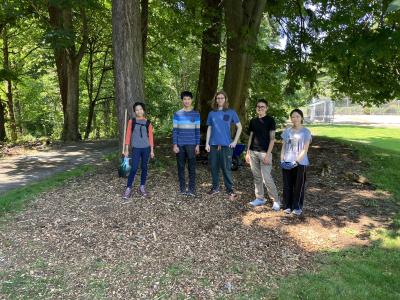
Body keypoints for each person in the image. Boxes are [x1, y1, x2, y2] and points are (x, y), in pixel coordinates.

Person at [205, 90, 242, 200]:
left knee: (226, 168)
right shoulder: (212, 113)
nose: (220, 100)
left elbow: (239, 127)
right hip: (213, 145)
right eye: (218, 98)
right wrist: (207, 143)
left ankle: (230, 190)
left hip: (226, 145)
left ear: (225, 99)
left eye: (222, 98)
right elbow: (209, 128)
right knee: (214, 167)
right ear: (215, 100)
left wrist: (235, 141)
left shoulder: (231, 112)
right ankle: (215, 187)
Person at [245, 99, 281, 210]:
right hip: (253, 152)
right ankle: (260, 198)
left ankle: (276, 200)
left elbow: (272, 139)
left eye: (262, 106)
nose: (260, 108)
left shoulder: (270, 120)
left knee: (267, 178)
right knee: (257, 177)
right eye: (258, 106)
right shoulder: (253, 121)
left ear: (266, 108)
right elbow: (251, 137)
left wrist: (268, 154)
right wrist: (247, 152)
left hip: (265, 153)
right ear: (256, 108)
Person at [280, 108, 312, 216]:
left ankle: (297, 207)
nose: (295, 118)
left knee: (298, 186)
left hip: (300, 163)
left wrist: (296, 161)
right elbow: (284, 146)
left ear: (301, 118)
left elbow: (305, 149)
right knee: (287, 185)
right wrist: (282, 159)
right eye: (293, 116)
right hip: (287, 162)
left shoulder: (306, 132)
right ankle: (287, 206)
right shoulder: (287, 131)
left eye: (297, 116)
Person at [122, 102, 155, 201]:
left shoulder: (148, 123)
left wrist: (152, 150)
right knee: (134, 168)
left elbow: (151, 138)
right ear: (134, 111)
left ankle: (142, 187)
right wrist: (126, 149)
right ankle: (128, 188)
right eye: (137, 110)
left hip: (146, 148)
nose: (139, 111)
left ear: (143, 110)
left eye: (140, 109)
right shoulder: (131, 121)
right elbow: (127, 136)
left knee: (144, 167)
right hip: (136, 148)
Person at [172, 91, 200, 196]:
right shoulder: (177, 114)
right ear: (182, 100)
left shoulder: (196, 114)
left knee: (192, 167)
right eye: (185, 99)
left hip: (192, 144)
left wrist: (197, 145)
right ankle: (182, 189)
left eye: (188, 99)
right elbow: (175, 130)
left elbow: (197, 130)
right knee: (180, 167)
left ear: (191, 100)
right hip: (180, 145)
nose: (187, 101)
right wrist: (175, 144)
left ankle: (191, 189)